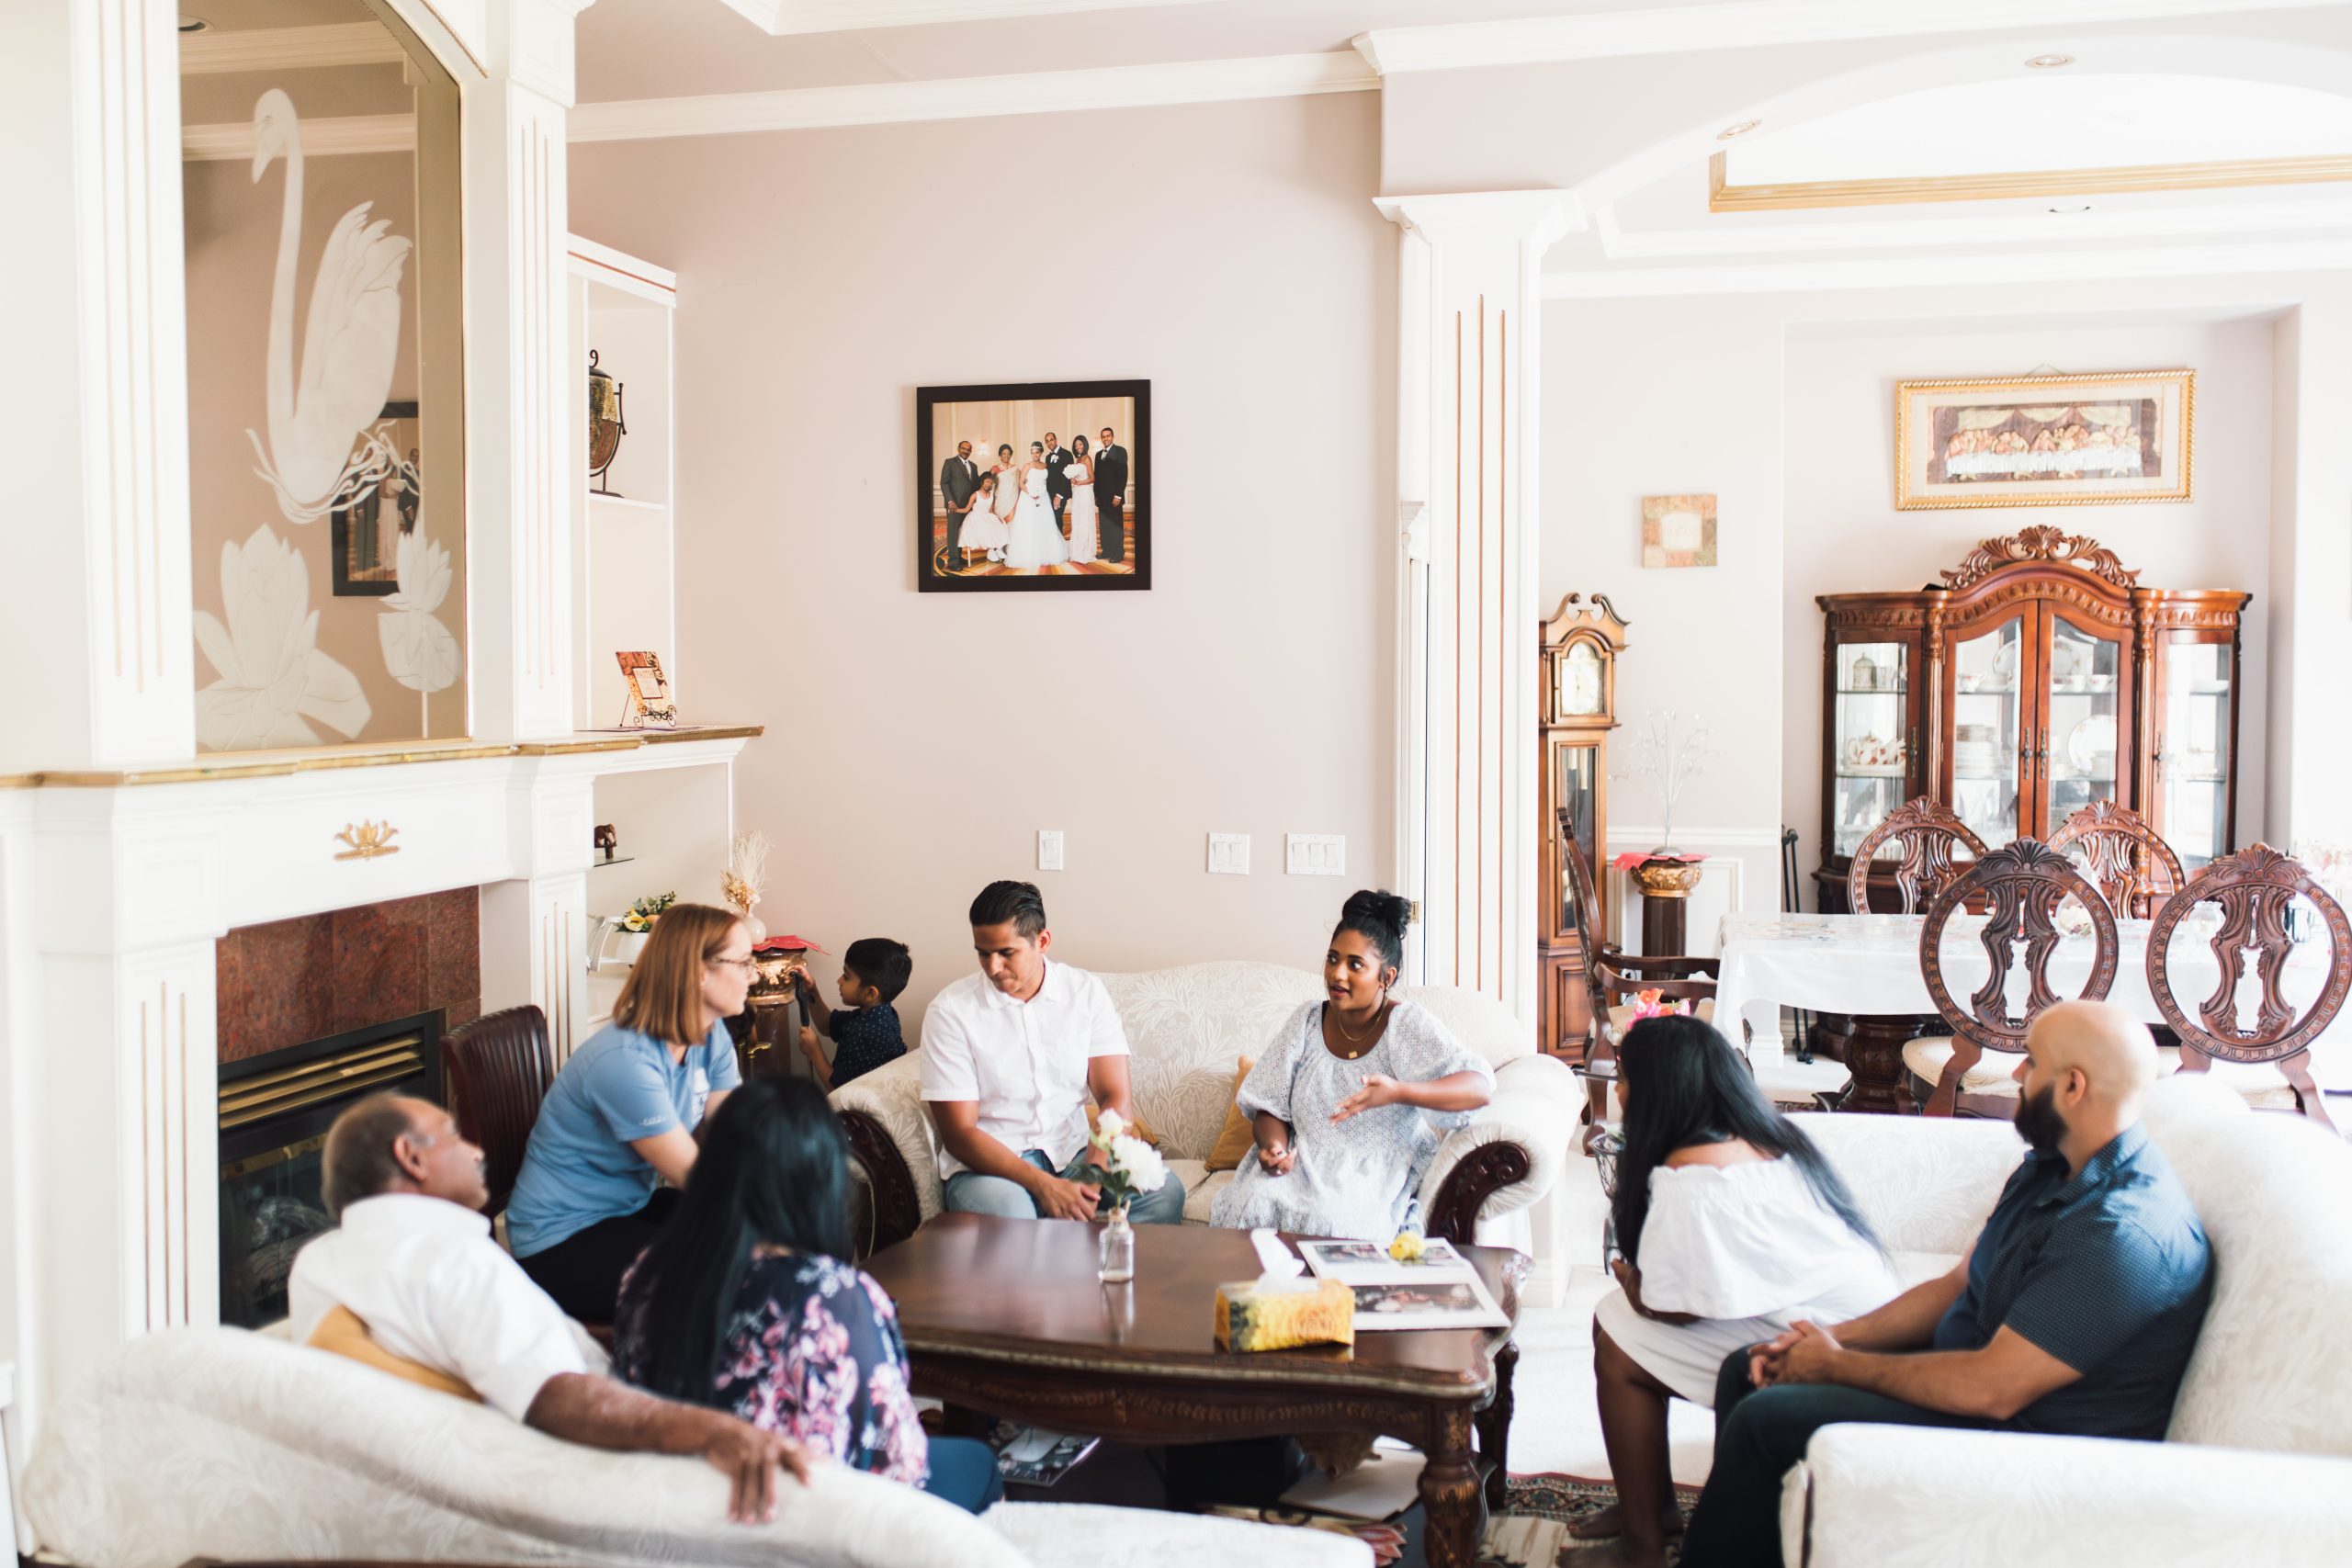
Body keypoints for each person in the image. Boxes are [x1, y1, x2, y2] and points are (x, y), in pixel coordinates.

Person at [1677, 1000, 2214, 1568]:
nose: (2016, 1075)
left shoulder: (2122, 1231)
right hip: (1977, 1385)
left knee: (1768, 1420)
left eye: (2031, 1064)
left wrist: (1837, 1366)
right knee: (1753, 1364)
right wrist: (1830, 1340)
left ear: (2073, 1087)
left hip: (2031, 1447)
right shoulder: (2058, 1163)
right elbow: (1959, 1283)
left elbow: (1993, 1389)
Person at [289, 1094, 811, 1524]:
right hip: (597, 1473)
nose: (475, 1151)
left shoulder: (317, 1263)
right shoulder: (453, 1259)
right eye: (453, 1134)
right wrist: (710, 1431)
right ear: (411, 1156)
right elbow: (556, 1397)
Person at [1573, 1016, 1896, 1568]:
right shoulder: (1765, 1136)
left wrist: (1628, 1278)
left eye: (1623, 1076)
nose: (1615, 1089)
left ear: (1660, 1088)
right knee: (1615, 1320)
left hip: (1839, 1346)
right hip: (1845, 1320)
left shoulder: (1696, 1175)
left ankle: (1643, 1544)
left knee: (1618, 1336)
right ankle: (1649, 1509)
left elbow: (1666, 1307)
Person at [614, 1078, 1004, 1514]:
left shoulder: (645, 1273)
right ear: (820, 1180)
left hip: (683, 1507)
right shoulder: (834, 1298)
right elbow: (897, 1464)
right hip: (815, 1515)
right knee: (981, 1462)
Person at [505, 903, 750, 1321]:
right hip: (560, 1239)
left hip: (628, 1207)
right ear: (697, 971)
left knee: (744, 1250)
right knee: (723, 1273)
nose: (754, 974)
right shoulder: (624, 1061)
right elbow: (699, 1179)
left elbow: (740, 1137)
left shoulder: (711, 1038)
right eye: (743, 962)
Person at [1210, 890, 1492, 1240]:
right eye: (1332, 959)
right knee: (1252, 1203)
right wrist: (1273, 1147)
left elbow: (1478, 1088)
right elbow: (1271, 1104)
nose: (1337, 974)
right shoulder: (1307, 1020)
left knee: (1332, 1221)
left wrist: (1399, 1092)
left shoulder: (1404, 1026)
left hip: (1369, 1176)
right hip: (1301, 1164)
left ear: (1386, 977)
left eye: (1355, 965)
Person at [922, 879, 1184, 1224]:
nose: (993, 968)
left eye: (1006, 953)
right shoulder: (951, 1011)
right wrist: (1044, 1186)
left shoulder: (1085, 993)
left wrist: (1092, 1173)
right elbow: (960, 1135)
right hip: (991, 1170)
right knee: (1014, 1217)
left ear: (1042, 941)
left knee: (1165, 1192)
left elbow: (1115, 1097)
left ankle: (1100, 1275)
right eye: (983, 953)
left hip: (1073, 1154)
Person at [793, 937, 913, 1091]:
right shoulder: (878, 1014)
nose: (839, 981)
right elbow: (827, 1026)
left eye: (846, 976)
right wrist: (812, 991)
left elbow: (839, 1090)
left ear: (870, 993)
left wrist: (814, 1051)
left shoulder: (868, 1033)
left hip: (857, 1111)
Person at [1003, 444, 1067, 571]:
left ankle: (1045, 553)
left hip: (1043, 497)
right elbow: (1021, 483)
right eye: (1032, 452)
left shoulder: (1045, 466)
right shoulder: (1027, 465)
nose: (1035, 455)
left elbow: (1045, 482)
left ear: (1041, 453)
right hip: (1028, 498)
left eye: (1037, 452)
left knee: (1044, 524)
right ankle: (1027, 554)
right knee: (1029, 525)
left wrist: (1041, 492)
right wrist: (1031, 494)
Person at [938, 439, 979, 567]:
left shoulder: (973, 466)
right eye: (963, 449)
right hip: (954, 506)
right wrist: (950, 501)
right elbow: (944, 483)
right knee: (953, 532)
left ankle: (958, 556)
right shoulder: (950, 462)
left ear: (971, 451)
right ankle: (953, 561)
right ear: (958, 449)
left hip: (967, 506)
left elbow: (976, 485)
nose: (966, 451)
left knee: (962, 532)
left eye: (968, 450)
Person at [955, 472, 1008, 567]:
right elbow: (966, 509)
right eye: (987, 482)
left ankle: (994, 549)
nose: (989, 484)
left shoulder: (991, 495)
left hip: (988, 515)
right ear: (982, 482)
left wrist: (998, 518)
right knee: (987, 527)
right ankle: (992, 550)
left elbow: (991, 510)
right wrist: (955, 510)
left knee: (1000, 524)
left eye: (991, 483)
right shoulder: (975, 495)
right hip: (976, 517)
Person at [1092, 425, 1127, 563]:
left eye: (1108, 436)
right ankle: (1106, 550)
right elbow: (1097, 477)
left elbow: (1123, 474)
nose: (1105, 438)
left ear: (1112, 437)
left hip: (1114, 498)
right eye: (1103, 436)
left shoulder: (1120, 451)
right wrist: (1096, 496)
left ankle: (1118, 553)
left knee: (1116, 526)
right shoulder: (1098, 455)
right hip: (1102, 498)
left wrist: (1118, 495)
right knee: (1104, 526)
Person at [1063, 435, 1098, 559]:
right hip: (1077, 493)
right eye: (1076, 445)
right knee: (1077, 520)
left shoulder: (1087, 458)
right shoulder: (1077, 460)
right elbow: (1075, 478)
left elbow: (1092, 478)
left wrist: (1079, 483)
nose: (1078, 447)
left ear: (1085, 445)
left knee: (1085, 520)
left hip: (1085, 492)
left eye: (1080, 444)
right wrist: (1072, 479)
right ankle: (1077, 549)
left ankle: (1085, 551)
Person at [1041, 430, 1072, 525]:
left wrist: (1059, 496)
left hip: (1060, 494)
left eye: (1051, 440)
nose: (1050, 443)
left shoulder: (1067, 454)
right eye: (1047, 441)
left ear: (1056, 440)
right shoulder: (1048, 457)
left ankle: (1060, 540)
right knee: (1051, 520)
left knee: (1056, 518)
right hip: (1049, 494)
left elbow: (1067, 476)